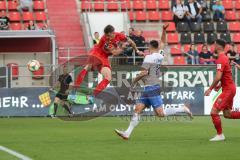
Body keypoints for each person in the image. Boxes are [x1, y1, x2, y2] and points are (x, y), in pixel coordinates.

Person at [114, 24, 193, 140]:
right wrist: (164, 30)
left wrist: (134, 81)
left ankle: (182, 108)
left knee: (160, 114)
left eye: (147, 47)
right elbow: (163, 42)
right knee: (137, 110)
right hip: (148, 88)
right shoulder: (160, 55)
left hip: (152, 88)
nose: (146, 48)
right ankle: (127, 133)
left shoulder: (148, 58)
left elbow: (144, 73)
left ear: (150, 46)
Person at [74, 25, 143, 97]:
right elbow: (115, 53)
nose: (107, 37)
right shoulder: (105, 39)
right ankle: (74, 92)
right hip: (96, 53)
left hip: (104, 57)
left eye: (109, 35)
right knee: (88, 67)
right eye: (106, 35)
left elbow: (131, 42)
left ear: (113, 33)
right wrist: (123, 48)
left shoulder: (120, 36)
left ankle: (92, 96)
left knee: (108, 77)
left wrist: (137, 51)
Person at [205, 39, 240, 141]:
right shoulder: (225, 58)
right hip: (229, 88)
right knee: (227, 114)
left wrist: (210, 89)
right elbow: (227, 75)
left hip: (228, 89)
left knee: (214, 111)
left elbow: (218, 76)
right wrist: (220, 85)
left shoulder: (221, 58)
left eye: (215, 44)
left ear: (218, 46)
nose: (213, 46)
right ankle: (220, 135)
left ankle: (220, 135)